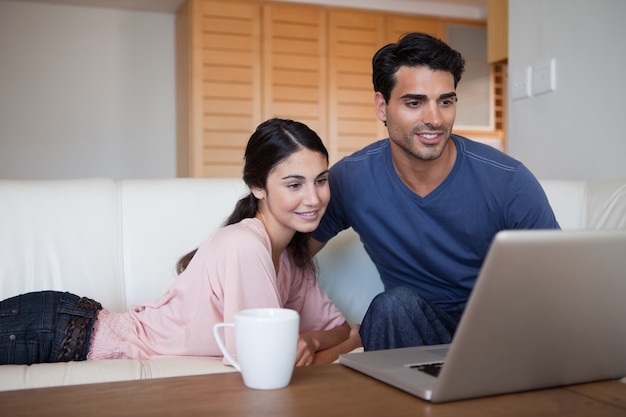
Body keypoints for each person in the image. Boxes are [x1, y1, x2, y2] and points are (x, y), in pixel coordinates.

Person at [0, 118, 361, 366]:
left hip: (69, 324)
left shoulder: (291, 259)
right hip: (62, 331)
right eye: (295, 184)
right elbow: (269, 364)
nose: (313, 199)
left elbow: (340, 329)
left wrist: (313, 342)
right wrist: (347, 346)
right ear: (258, 186)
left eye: (321, 180)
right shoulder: (245, 245)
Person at [310, 32, 560, 351]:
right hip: (416, 331)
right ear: (382, 106)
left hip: (497, 331)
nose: (434, 119)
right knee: (392, 307)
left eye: (446, 101)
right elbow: (293, 254)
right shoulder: (351, 178)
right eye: (414, 102)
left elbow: (556, 281)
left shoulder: (509, 181)